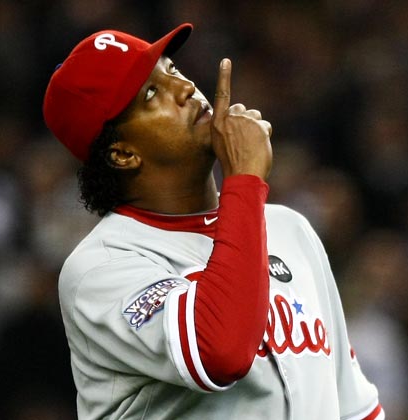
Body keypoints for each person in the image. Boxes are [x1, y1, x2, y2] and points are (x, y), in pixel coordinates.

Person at [43, 22, 384, 420]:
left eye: (172, 69)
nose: (185, 88)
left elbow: (356, 409)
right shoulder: (100, 268)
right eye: (151, 94)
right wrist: (245, 179)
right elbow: (220, 353)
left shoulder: (289, 229)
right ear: (122, 154)